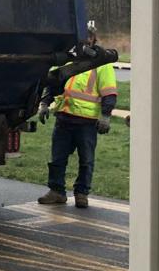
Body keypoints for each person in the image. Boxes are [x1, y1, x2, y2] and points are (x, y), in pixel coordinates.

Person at [36, 29, 117, 209]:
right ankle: (56, 191)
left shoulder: (102, 63)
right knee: (57, 159)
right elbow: (54, 83)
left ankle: (81, 194)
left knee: (86, 160)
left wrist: (105, 115)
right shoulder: (68, 58)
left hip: (86, 122)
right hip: (64, 118)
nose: (85, 40)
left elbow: (109, 92)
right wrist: (44, 104)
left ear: (93, 39)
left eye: (88, 36)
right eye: (82, 36)